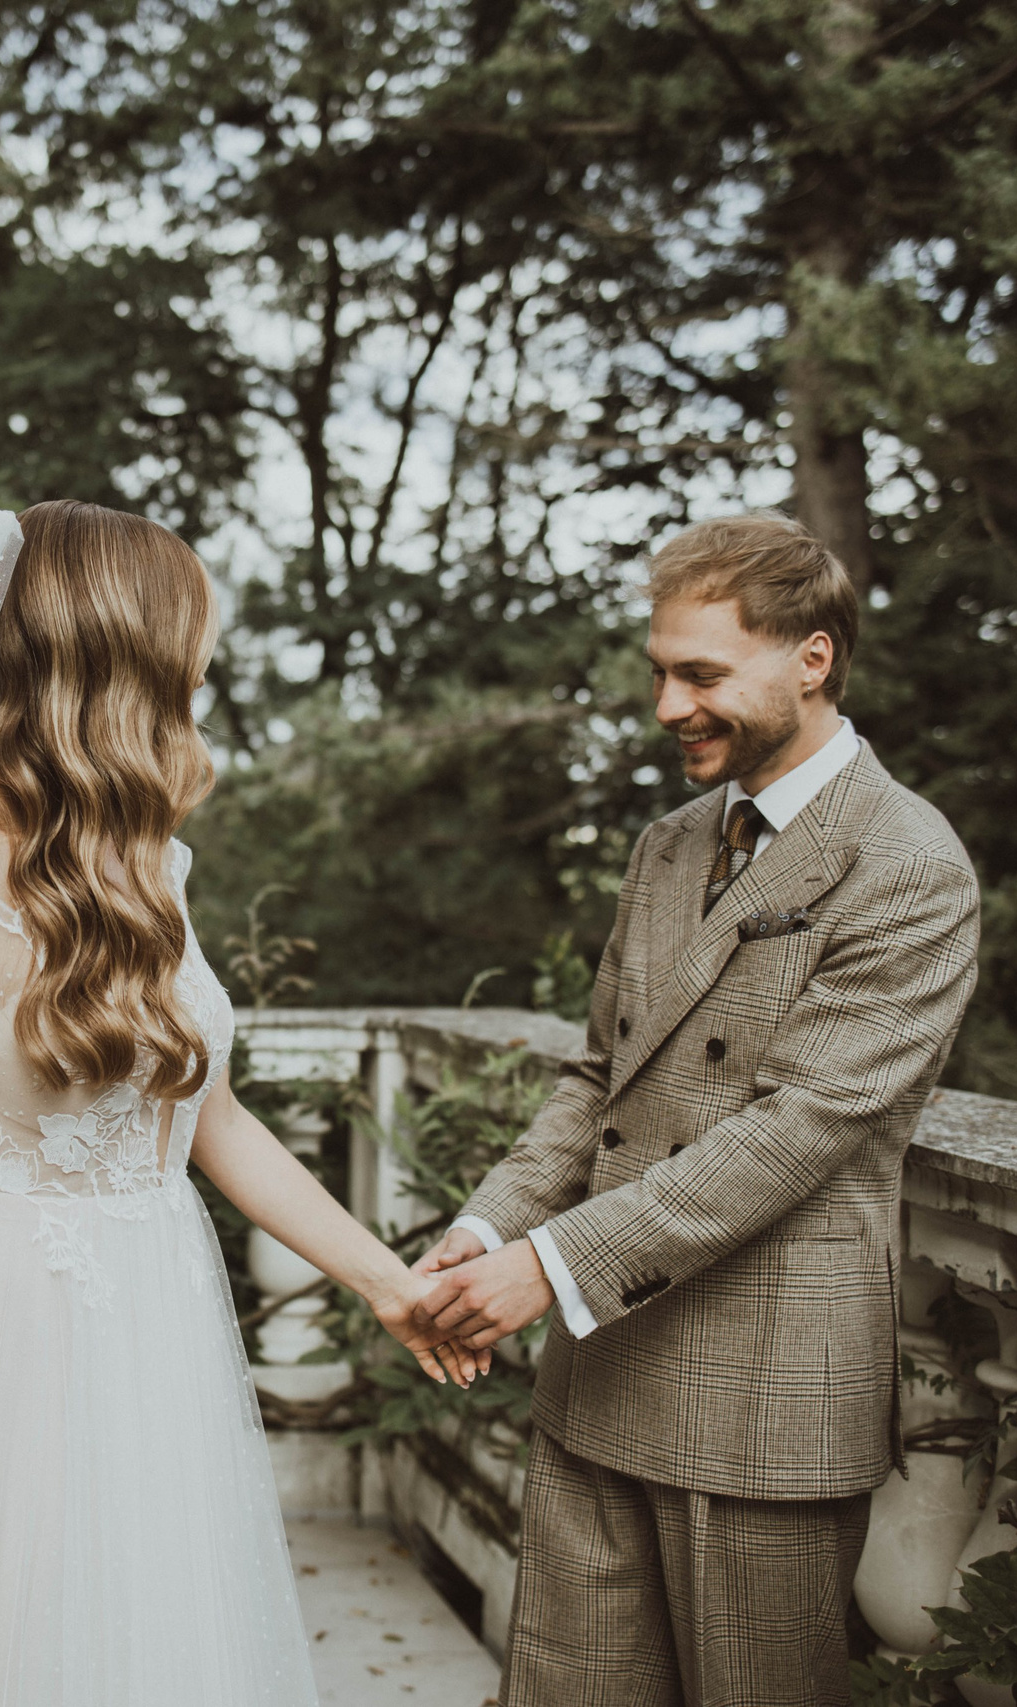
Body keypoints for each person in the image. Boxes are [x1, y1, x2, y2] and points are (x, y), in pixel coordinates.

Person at [0, 501, 478, 1707]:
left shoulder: (149, 865)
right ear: (123, 654)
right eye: (193, 644)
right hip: (4, 1345)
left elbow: (208, 1118)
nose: (208, 667)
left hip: (159, 1332)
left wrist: (385, 1281)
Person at [414, 512, 982, 1705]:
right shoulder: (667, 845)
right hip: (596, 1373)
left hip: (764, 1397)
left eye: (702, 675)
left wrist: (545, 1267)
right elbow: (597, 1078)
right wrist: (483, 1228)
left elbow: (794, 1134)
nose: (667, 706)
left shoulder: (907, 862)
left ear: (811, 660)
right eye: (659, 672)